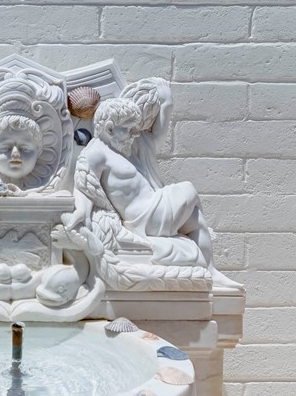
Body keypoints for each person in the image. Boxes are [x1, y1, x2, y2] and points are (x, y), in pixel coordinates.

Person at [66, 94, 215, 270]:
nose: (135, 134)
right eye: (129, 129)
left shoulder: (121, 150)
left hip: (153, 207)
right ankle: (208, 269)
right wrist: (82, 212)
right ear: (110, 128)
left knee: (197, 221)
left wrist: (165, 104)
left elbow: (155, 138)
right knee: (188, 189)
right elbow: (84, 185)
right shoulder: (96, 153)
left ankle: (210, 270)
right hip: (145, 216)